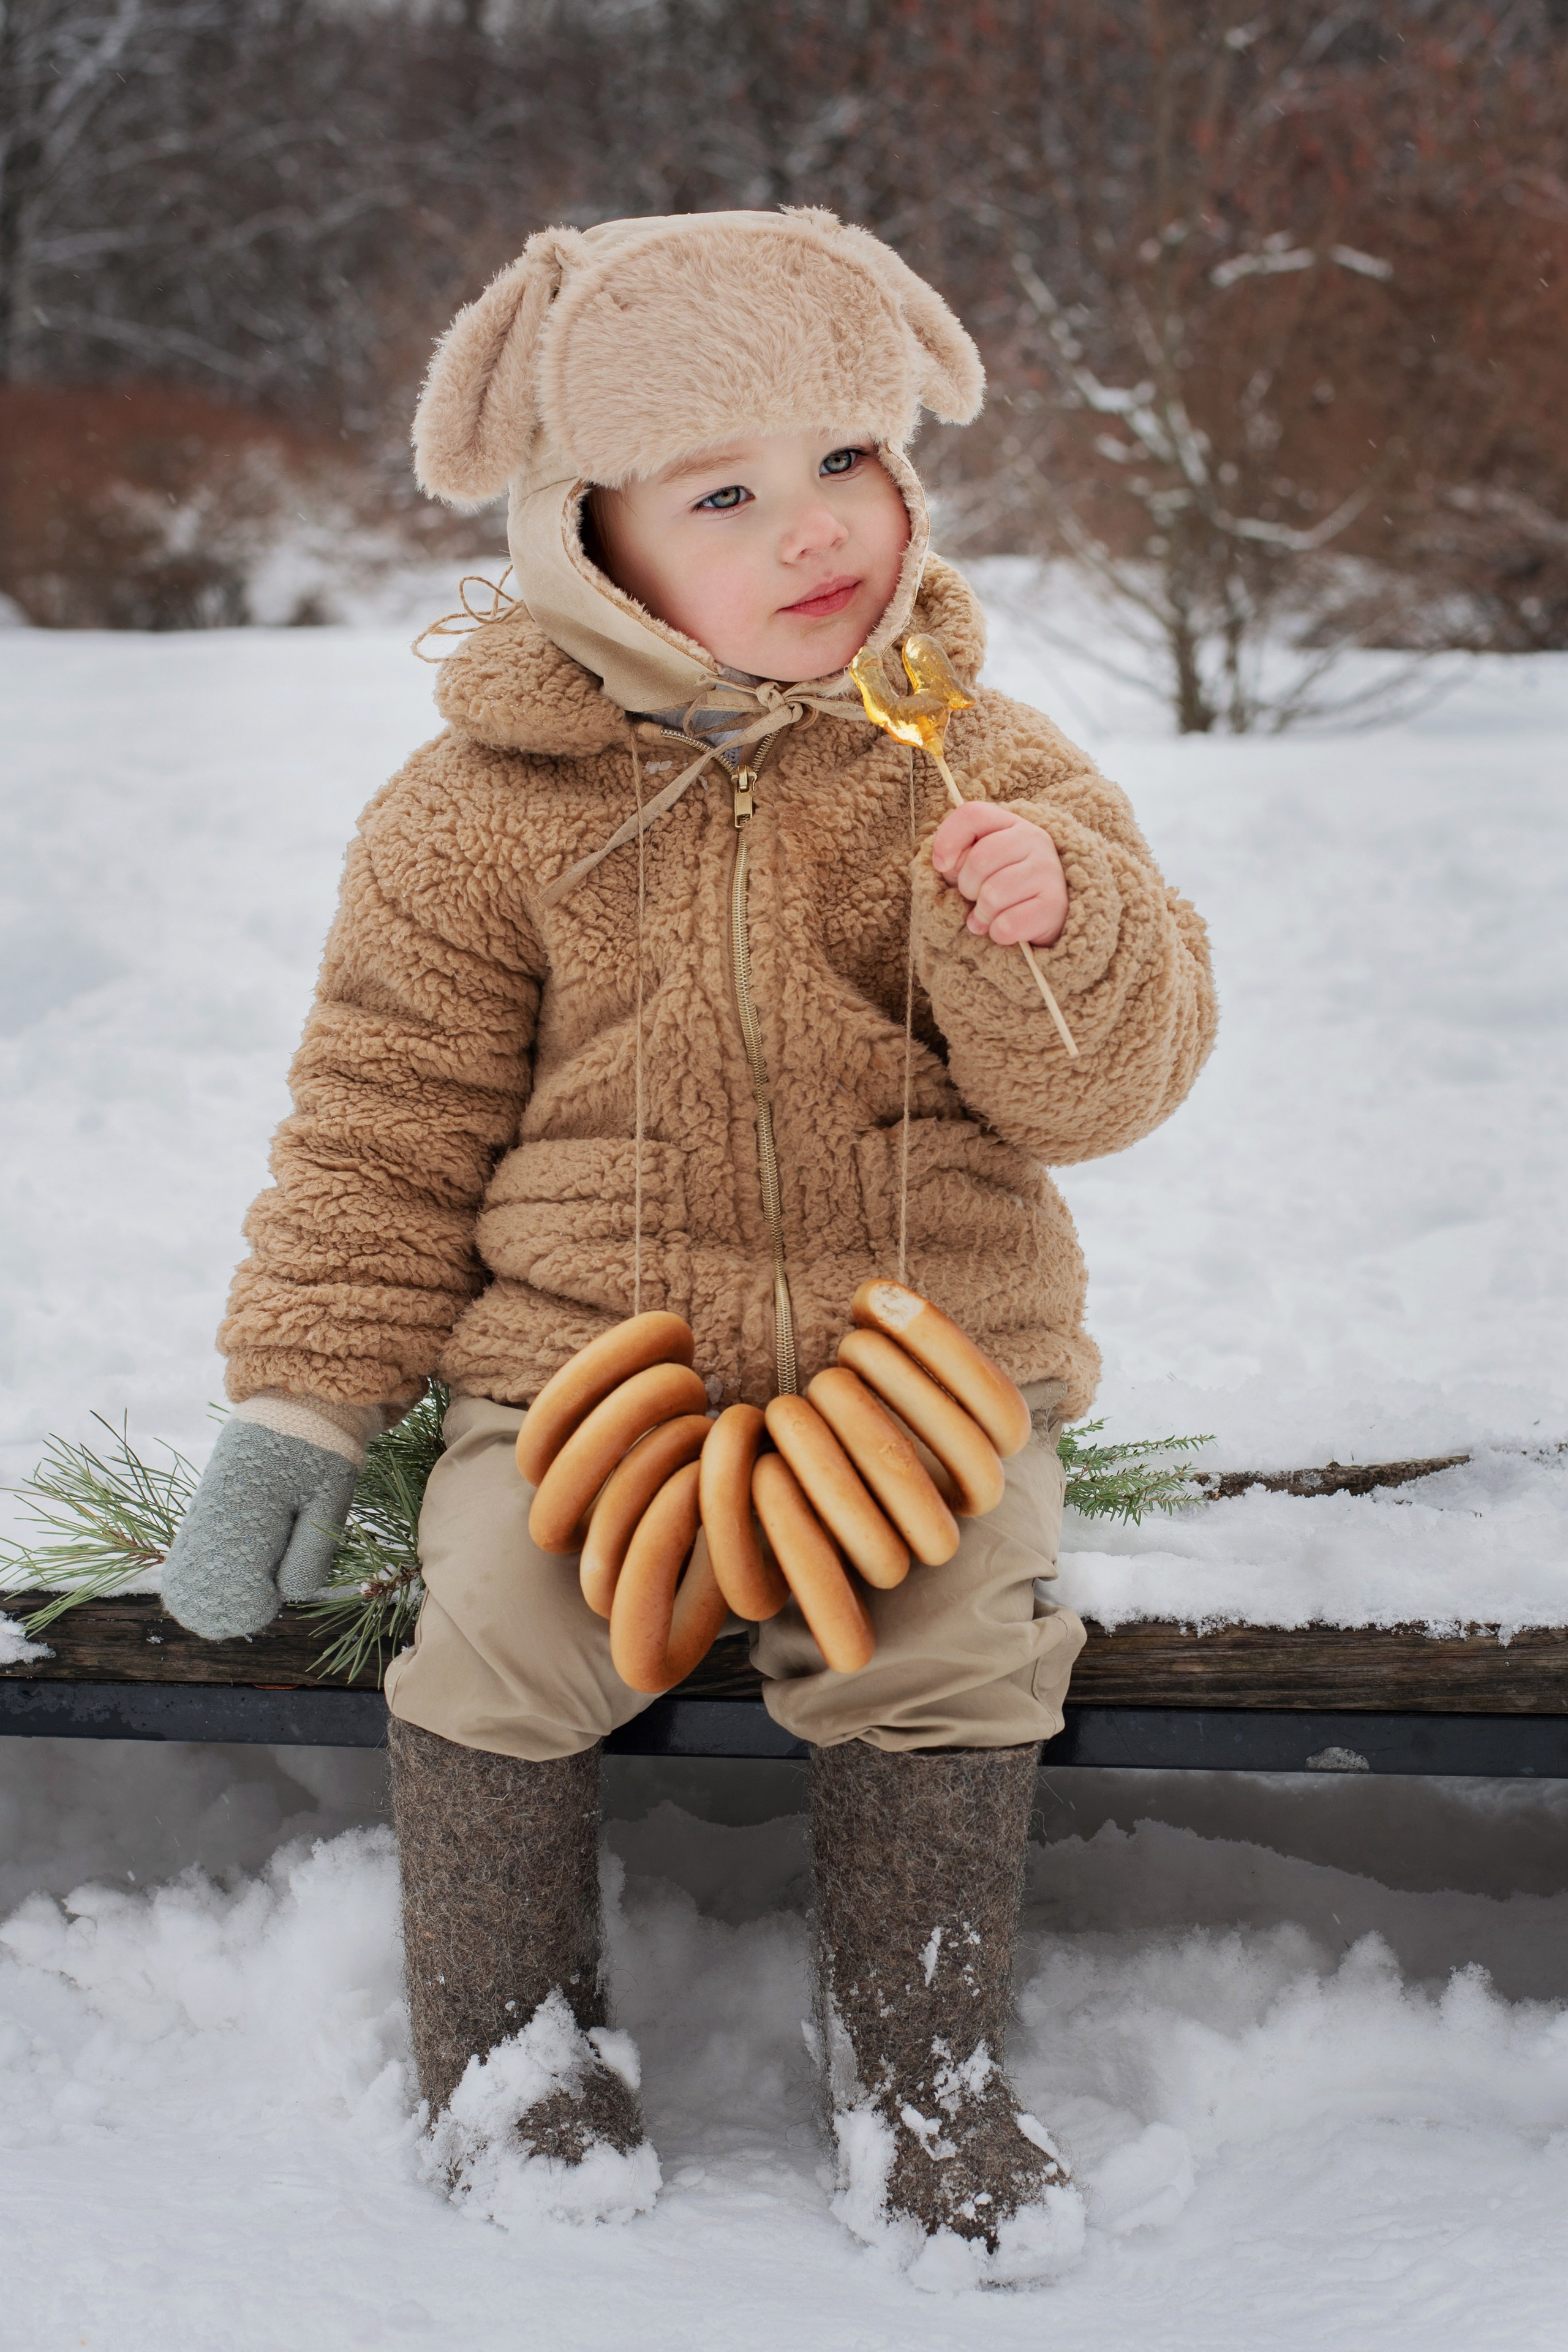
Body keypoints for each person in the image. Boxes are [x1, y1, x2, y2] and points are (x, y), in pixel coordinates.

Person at [160, 208, 1216, 2282]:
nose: (816, 524)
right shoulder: (475, 810)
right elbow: (383, 1127)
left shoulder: (983, 763)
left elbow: (1108, 1091)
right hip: (582, 1352)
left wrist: (1053, 930)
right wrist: (303, 1409)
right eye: (725, 491)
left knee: (949, 1631)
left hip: (921, 1346)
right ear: (588, 534)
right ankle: (509, 2040)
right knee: (494, 1616)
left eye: (847, 455)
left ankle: (919, 2060)